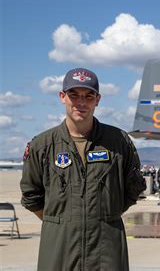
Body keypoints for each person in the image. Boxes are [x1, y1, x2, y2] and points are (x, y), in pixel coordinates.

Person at [20, 68, 146, 271]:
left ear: (98, 99)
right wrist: (63, 222)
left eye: (88, 96)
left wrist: (103, 215)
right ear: (62, 97)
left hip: (106, 251)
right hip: (59, 250)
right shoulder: (42, 145)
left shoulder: (118, 142)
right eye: (74, 95)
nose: (81, 102)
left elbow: (133, 189)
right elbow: (31, 196)